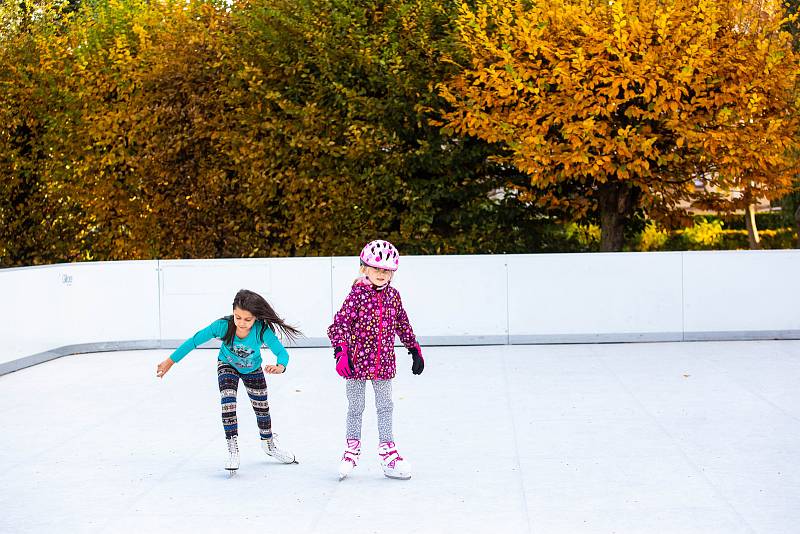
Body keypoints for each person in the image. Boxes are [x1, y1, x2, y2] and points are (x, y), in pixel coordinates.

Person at [156, 289, 301, 472]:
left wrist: (281, 366)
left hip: (253, 369)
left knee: (262, 409)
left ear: (256, 318)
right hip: (227, 365)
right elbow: (194, 341)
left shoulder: (262, 330)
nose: (241, 323)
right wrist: (170, 361)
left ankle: (269, 444)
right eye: (237, 317)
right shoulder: (223, 326)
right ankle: (233, 448)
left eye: (247, 319)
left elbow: (282, 353)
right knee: (228, 402)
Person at [328, 239, 424, 480]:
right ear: (364, 269)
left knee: (385, 407)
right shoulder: (356, 296)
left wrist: (413, 348)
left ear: (392, 273)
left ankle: (388, 454)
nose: (381, 274)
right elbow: (339, 324)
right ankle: (351, 451)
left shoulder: (394, 296)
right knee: (356, 407)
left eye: (386, 270)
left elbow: (402, 323)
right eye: (377, 269)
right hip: (355, 363)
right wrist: (341, 351)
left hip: (383, 363)